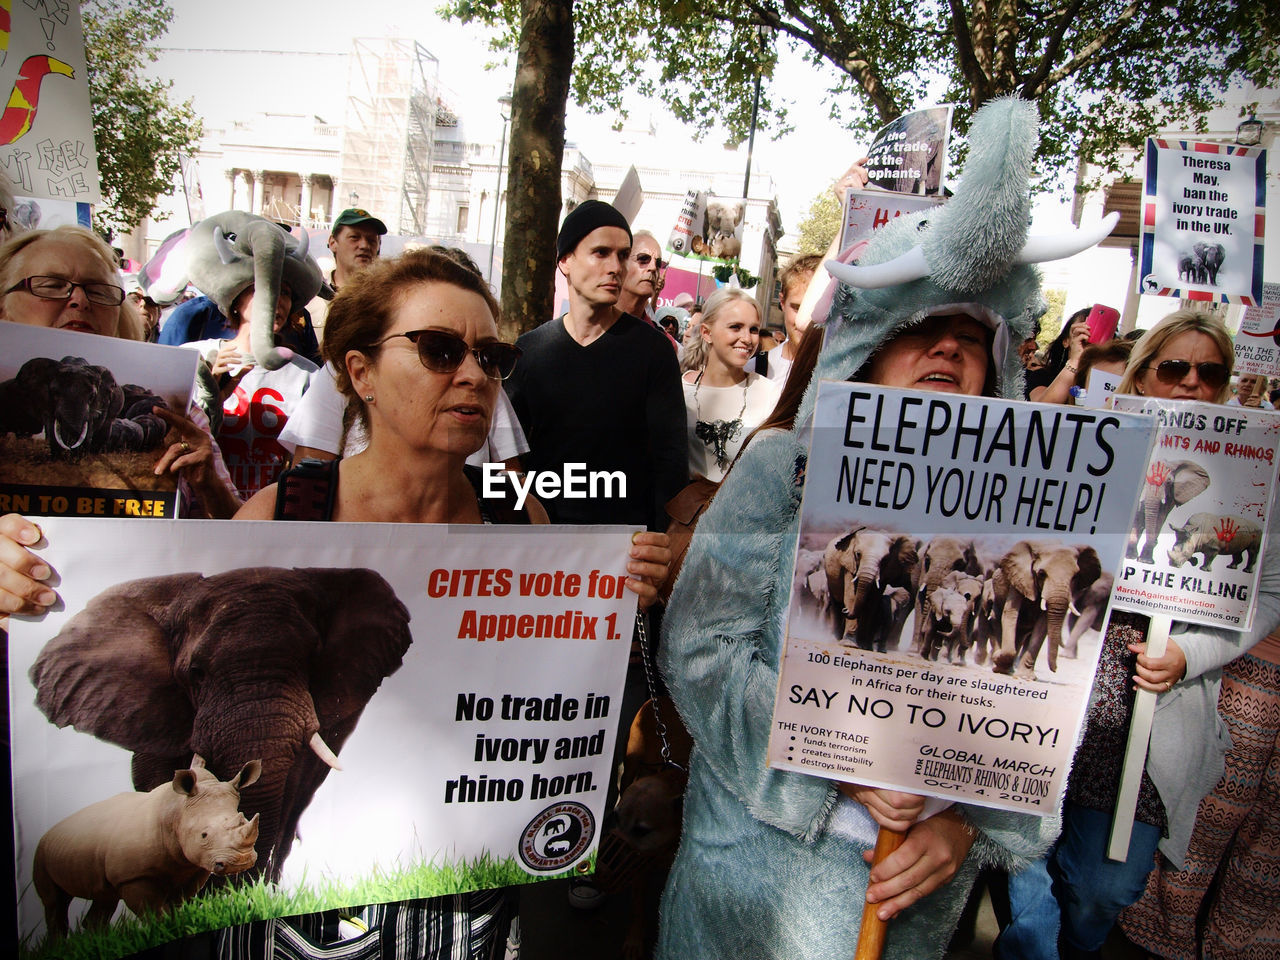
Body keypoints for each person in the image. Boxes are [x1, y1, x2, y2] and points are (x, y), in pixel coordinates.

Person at [1, 248, 673, 955]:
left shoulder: (516, 519)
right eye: (440, 350)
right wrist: (29, 578)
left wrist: (611, 599)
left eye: (491, 355)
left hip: (458, 904)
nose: (474, 375)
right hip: (291, 916)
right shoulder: (283, 514)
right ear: (360, 373)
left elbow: (537, 677)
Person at [655, 97, 1110, 960]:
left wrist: (971, 830)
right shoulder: (781, 468)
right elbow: (702, 654)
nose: (946, 353)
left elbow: (1039, 705)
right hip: (755, 894)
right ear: (868, 350)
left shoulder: (1037, 515)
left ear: (1001, 368)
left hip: (909, 908)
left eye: (969, 339)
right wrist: (836, 760)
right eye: (921, 331)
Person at [995, 309, 1280, 960]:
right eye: (1174, 368)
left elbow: (1268, 591)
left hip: (1151, 721)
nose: (1190, 385)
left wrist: (1189, 653)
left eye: (1210, 373)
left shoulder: (1253, 474)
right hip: (1052, 693)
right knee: (1025, 861)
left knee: (1107, 885)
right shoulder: (1087, 447)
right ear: (1143, 376)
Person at [0, 226, 241, 519]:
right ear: (4, 306)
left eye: (98, 291)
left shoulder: (185, 418)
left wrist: (210, 487)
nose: (80, 300)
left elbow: (236, 532)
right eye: (50, 284)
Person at [185, 278, 319, 498]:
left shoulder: (308, 374)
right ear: (236, 301)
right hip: (201, 511)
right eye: (263, 288)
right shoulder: (194, 358)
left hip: (269, 517)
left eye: (285, 292)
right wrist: (209, 401)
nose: (276, 300)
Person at [681, 287, 780, 482]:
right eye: (735, 327)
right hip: (687, 508)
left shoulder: (770, 393)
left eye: (753, 329)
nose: (746, 338)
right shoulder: (680, 389)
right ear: (706, 333)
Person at [305, 207, 387, 334]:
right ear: (333, 243)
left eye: (371, 240)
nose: (365, 246)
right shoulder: (309, 300)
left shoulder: (386, 304)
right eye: (354, 237)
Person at [763, 252, 821, 385]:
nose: (804, 323)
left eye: (816, 311)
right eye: (797, 308)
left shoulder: (846, 375)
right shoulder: (757, 369)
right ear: (782, 302)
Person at [1024, 306, 1089, 403]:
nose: (1087, 337)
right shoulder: (1043, 376)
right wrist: (1075, 361)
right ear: (1066, 341)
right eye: (1080, 333)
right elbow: (1041, 411)